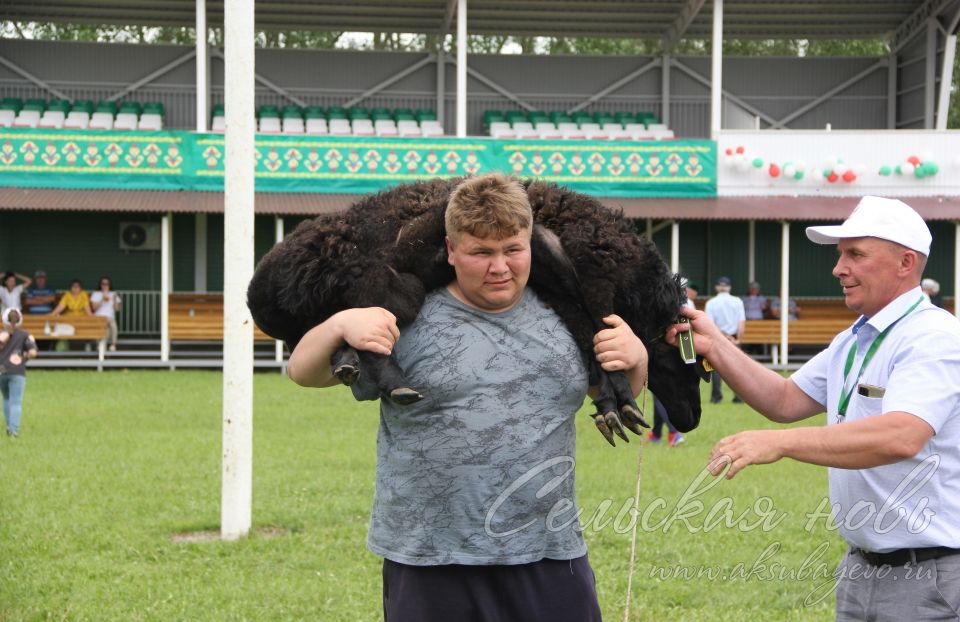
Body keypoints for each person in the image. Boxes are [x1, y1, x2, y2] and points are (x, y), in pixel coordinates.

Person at [286, 173, 649, 621]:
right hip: (431, 558)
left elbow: (612, 391)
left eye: (513, 250)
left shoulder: (568, 318)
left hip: (549, 552)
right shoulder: (407, 317)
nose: (500, 267)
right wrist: (339, 326)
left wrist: (636, 360)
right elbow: (305, 373)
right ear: (452, 250)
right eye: (482, 252)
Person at [666, 196, 960, 620]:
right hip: (862, 568)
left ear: (906, 263)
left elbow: (902, 435)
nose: (839, 268)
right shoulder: (853, 339)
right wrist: (714, 345)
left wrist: (781, 444)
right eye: (841, 255)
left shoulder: (932, 336)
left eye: (855, 254)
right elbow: (785, 400)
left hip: (929, 573)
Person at [649, 278, 697, 447]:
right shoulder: (688, 304)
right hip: (683, 354)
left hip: (663, 355)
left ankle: (673, 432)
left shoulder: (656, 302)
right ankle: (656, 433)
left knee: (661, 397)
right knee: (661, 395)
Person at [704, 276, 745, 403]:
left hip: (718, 338)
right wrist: (738, 339)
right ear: (729, 287)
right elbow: (741, 322)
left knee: (716, 369)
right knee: (737, 369)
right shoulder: (737, 301)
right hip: (734, 338)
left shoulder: (711, 303)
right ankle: (739, 397)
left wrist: (724, 336)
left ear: (717, 287)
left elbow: (710, 324)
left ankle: (716, 397)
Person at [0, 309, 38, 438]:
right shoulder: (24, 335)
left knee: (6, 398)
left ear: (3, 320)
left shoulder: (1, 335)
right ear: (20, 320)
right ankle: (13, 431)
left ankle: (8, 425)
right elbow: (33, 353)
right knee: (16, 401)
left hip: (2, 371)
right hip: (17, 372)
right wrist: (24, 356)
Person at [90, 276, 121, 351]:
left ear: (110, 285)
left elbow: (117, 309)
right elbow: (94, 308)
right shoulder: (96, 294)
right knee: (103, 327)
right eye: (103, 283)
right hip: (99, 317)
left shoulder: (113, 294)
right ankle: (99, 345)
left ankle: (113, 344)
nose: (105, 285)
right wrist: (102, 300)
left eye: (107, 284)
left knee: (113, 325)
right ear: (100, 285)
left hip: (110, 317)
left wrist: (114, 300)